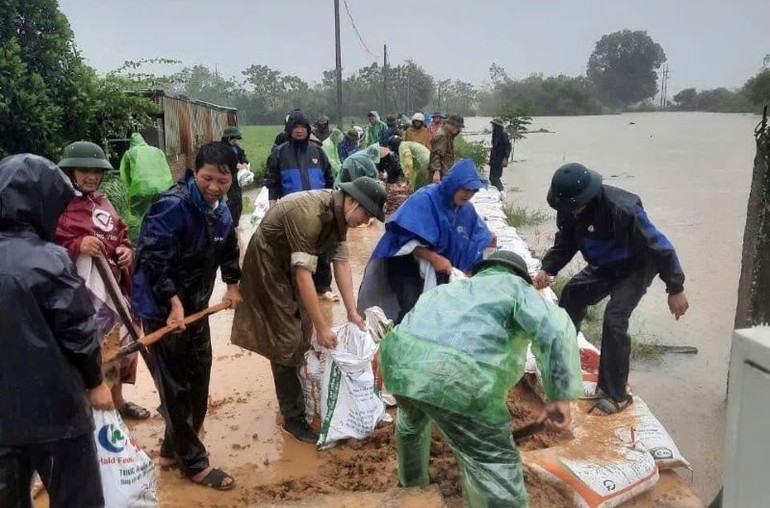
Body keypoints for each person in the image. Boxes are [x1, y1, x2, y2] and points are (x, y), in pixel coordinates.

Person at [380, 250, 583, 508]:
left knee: (410, 426)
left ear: (481, 271)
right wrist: (559, 395)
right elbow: (555, 330)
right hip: (461, 379)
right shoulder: (518, 289)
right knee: (491, 461)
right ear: (521, 277)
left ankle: (412, 488)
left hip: (400, 364)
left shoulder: (451, 290)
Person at [230, 177, 387, 443]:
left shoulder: (339, 217)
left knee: (303, 328)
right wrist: (323, 327)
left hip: (291, 264)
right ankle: (292, 417)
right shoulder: (310, 214)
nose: (366, 221)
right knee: (286, 338)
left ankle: (298, 393)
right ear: (352, 201)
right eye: (366, 213)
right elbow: (304, 275)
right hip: (268, 263)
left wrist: (352, 312)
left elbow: (342, 263)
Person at [0, 154, 113, 507]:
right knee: (76, 497)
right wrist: (95, 381)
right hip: (57, 412)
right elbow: (78, 328)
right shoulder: (49, 259)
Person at [534, 163, 690, 415]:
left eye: (575, 207)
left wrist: (675, 288)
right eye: (566, 209)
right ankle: (561, 361)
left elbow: (659, 246)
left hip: (635, 268)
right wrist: (548, 269)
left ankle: (615, 394)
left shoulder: (623, 209)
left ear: (589, 197)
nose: (571, 213)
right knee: (572, 294)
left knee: (615, 318)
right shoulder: (568, 210)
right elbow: (566, 242)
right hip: (603, 266)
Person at [132, 142, 242, 490]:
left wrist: (233, 284)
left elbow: (228, 249)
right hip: (166, 309)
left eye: (222, 181)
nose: (214, 187)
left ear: (232, 179)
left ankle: (169, 450)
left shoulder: (221, 210)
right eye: (207, 178)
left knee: (199, 380)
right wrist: (172, 302)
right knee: (177, 386)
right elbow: (152, 258)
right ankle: (194, 463)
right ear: (195, 173)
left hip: (196, 307)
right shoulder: (172, 206)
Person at [56, 141, 150, 421]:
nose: (91, 176)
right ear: (71, 171)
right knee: (83, 349)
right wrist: (76, 245)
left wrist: (126, 251)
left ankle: (117, 402)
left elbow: (120, 235)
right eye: (84, 170)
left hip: (113, 291)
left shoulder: (104, 203)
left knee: (114, 346)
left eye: (96, 171)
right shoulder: (58, 205)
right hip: (78, 294)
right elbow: (45, 246)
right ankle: (84, 411)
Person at [358, 159, 493, 323]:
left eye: (473, 190)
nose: (468, 194)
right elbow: (401, 238)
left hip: (441, 269)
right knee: (412, 309)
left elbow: (478, 237)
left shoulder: (466, 209)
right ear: (454, 184)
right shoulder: (425, 199)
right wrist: (434, 258)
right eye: (464, 189)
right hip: (406, 264)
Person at [266, 109, 337, 300]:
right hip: (292, 213)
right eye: (295, 127)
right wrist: (273, 209)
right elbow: (272, 183)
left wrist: (332, 205)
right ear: (289, 129)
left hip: (320, 210)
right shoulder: (279, 154)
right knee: (295, 250)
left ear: (308, 129)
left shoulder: (318, 152)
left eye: (302, 127)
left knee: (321, 249)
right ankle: (296, 287)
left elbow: (330, 180)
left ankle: (323, 287)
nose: (299, 130)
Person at [119, 132, 174, 218]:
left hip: (141, 188)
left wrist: (127, 190)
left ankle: (138, 229)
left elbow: (124, 174)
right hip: (163, 187)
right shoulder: (158, 151)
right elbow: (165, 168)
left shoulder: (130, 153)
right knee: (161, 213)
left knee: (137, 216)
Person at [221, 126, 249, 227]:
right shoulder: (222, 149)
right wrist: (235, 165)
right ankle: (228, 222)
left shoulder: (235, 147)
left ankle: (236, 224)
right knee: (234, 200)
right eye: (234, 139)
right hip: (228, 177)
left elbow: (242, 155)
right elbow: (223, 162)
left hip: (237, 178)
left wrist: (245, 162)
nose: (235, 141)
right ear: (229, 138)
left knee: (239, 202)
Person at [429, 114, 464, 182]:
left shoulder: (448, 135)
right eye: (458, 127)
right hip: (440, 174)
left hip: (445, 171)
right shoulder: (442, 136)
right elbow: (436, 154)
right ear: (453, 126)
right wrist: (436, 172)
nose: (458, 130)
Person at [489, 117, 512, 193]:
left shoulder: (502, 133)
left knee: (495, 177)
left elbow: (508, 146)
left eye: (493, 125)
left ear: (497, 126)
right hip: (495, 159)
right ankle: (497, 192)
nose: (492, 126)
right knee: (492, 178)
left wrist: (505, 158)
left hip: (499, 159)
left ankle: (501, 191)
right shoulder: (496, 134)